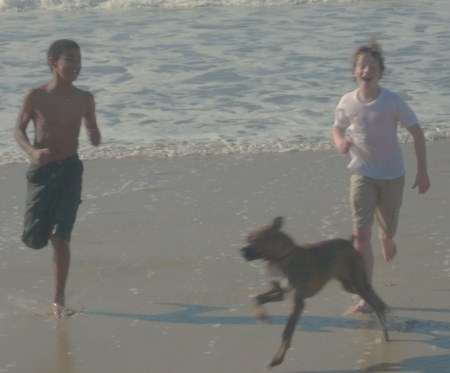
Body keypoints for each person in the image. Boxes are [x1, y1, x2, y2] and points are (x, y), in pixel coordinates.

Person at [332, 38, 430, 313]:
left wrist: (422, 171)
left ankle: (386, 238)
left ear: (380, 72)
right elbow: (336, 127)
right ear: (354, 72)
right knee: (360, 235)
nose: (366, 70)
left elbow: (417, 133)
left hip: (391, 175)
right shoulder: (347, 102)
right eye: (362, 66)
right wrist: (340, 141)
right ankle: (366, 296)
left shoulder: (392, 102)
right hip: (361, 173)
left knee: (386, 230)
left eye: (372, 66)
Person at [14, 39, 101, 317]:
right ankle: (38, 240)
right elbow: (18, 129)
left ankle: (58, 300)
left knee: (61, 235)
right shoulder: (36, 96)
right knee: (35, 239)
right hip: (43, 171)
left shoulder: (85, 98)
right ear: (52, 63)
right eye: (70, 59)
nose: (76, 65)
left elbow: (91, 126)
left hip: (70, 170)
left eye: (78, 59)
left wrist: (94, 135)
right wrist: (31, 151)